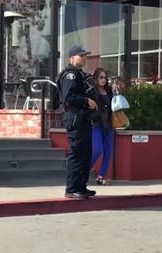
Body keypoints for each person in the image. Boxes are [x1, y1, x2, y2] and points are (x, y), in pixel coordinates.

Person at [59, 45, 98, 199]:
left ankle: (81, 187)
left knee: (85, 153)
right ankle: (71, 188)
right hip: (75, 118)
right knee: (77, 153)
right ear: (72, 58)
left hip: (84, 118)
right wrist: (86, 100)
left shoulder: (80, 75)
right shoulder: (70, 76)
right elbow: (68, 97)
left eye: (85, 55)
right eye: (81, 55)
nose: (84, 58)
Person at [90, 68, 114, 185]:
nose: (103, 80)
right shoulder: (92, 92)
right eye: (101, 77)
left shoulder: (109, 91)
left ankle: (101, 176)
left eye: (105, 77)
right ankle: (84, 169)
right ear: (96, 79)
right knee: (98, 149)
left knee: (108, 152)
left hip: (109, 125)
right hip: (97, 124)